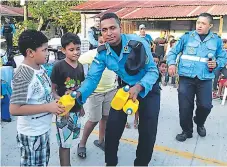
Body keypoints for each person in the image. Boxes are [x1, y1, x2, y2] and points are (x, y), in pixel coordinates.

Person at [76, 13, 160, 166]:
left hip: (148, 88)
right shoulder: (102, 53)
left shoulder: (139, 43)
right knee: (112, 128)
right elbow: (92, 79)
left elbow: (153, 71)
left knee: (147, 132)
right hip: (125, 89)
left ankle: (141, 163)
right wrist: (78, 96)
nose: (109, 33)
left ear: (120, 28)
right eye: (104, 30)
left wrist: (139, 86)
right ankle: (111, 163)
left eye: (112, 28)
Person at [167, 13, 227, 142]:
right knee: (184, 107)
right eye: (198, 22)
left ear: (210, 25)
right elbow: (173, 51)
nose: (199, 25)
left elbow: (223, 57)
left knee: (205, 106)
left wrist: (217, 63)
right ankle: (186, 131)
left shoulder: (216, 40)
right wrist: (171, 63)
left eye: (203, 23)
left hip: (205, 78)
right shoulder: (187, 37)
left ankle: (199, 122)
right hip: (186, 77)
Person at [9, 30, 64, 166]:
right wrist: (47, 107)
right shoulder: (23, 75)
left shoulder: (40, 68)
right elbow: (14, 109)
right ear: (30, 52)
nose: (47, 53)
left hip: (43, 130)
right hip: (31, 134)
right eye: (44, 50)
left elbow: (46, 92)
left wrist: (56, 100)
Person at [77, 35, 117, 158]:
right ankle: (82, 144)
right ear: (97, 43)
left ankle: (101, 141)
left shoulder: (114, 54)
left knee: (105, 117)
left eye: (106, 42)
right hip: (95, 92)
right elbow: (77, 61)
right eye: (101, 42)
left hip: (111, 90)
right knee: (94, 120)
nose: (103, 44)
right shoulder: (92, 54)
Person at [50, 32, 85, 166]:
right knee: (64, 144)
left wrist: (80, 106)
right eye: (71, 49)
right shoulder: (58, 66)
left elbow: (80, 88)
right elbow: (53, 89)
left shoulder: (81, 66)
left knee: (71, 140)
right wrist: (60, 102)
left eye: (78, 49)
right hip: (64, 111)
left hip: (76, 111)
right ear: (63, 50)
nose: (76, 52)